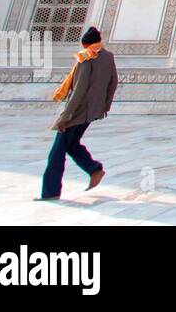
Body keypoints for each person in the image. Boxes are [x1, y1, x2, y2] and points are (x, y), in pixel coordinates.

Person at [39, 26, 117, 200]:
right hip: (93, 110)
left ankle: (50, 192)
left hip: (78, 112)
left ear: (85, 44)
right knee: (72, 144)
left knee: (57, 153)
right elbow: (113, 83)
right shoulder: (108, 57)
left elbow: (79, 90)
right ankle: (94, 170)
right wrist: (104, 106)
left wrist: (65, 117)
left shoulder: (86, 57)